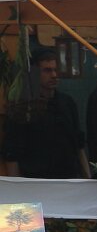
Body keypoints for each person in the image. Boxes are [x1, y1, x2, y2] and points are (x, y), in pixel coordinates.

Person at [3, 48, 89, 178]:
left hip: (69, 179)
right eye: (47, 70)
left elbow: (79, 144)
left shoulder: (67, 103)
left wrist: (87, 177)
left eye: (56, 70)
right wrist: (16, 187)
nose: (54, 75)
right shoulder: (22, 107)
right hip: (37, 181)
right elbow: (12, 153)